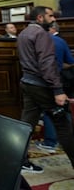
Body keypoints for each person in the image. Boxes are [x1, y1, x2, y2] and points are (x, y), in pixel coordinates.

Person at [17, 6, 74, 174]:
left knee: (26, 125)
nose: (54, 19)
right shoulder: (41, 34)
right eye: (50, 16)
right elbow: (46, 63)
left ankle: (20, 161)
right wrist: (57, 89)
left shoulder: (23, 33)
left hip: (27, 83)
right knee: (63, 124)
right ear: (40, 18)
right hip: (41, 85)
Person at [36, 21, 74, 153]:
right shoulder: (61, 41)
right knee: (64, 110)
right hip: (62, 79)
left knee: (49, 111)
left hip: (44, 80)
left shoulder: (42, 40)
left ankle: (51, 142)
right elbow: (70, 61)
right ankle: (68, 141)